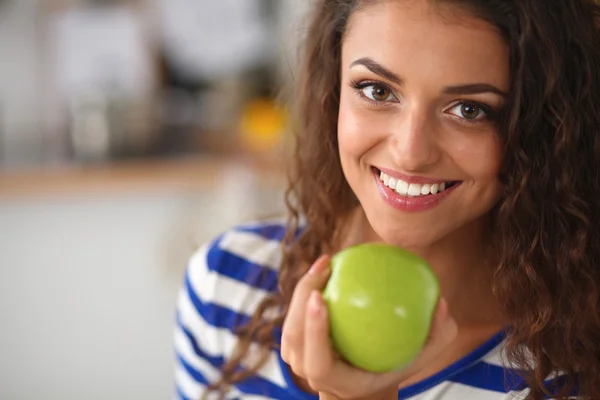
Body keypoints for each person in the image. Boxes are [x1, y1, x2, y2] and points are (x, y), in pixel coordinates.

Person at [174, 0, 600, 399]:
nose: (410, 153)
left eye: (469, 109)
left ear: (542, 130)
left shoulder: (568, 366)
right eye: (377, 91)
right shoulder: (225, 287)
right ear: (333, 92)